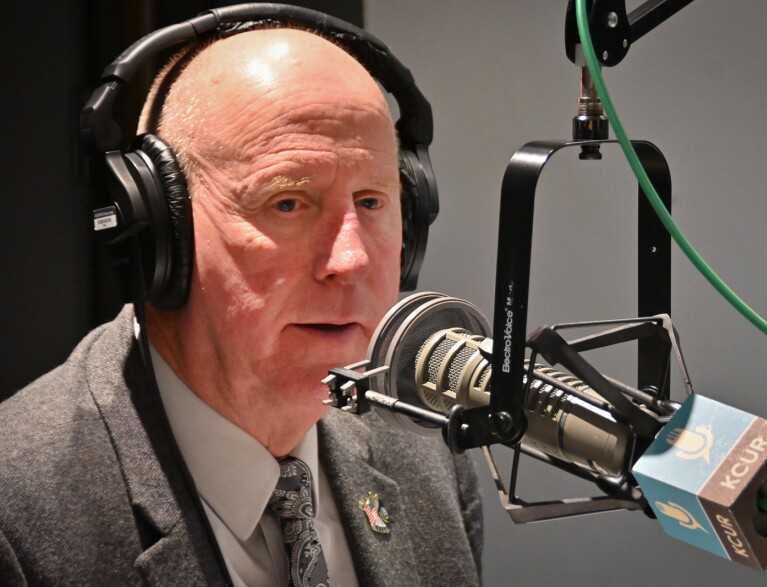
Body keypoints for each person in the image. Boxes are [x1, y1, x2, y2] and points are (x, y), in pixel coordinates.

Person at [0, 14, 482, 587]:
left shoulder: (429, 452)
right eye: (288, 203)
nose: (351, 260)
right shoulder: (17, 518)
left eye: (374, 201)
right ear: (161, 233)